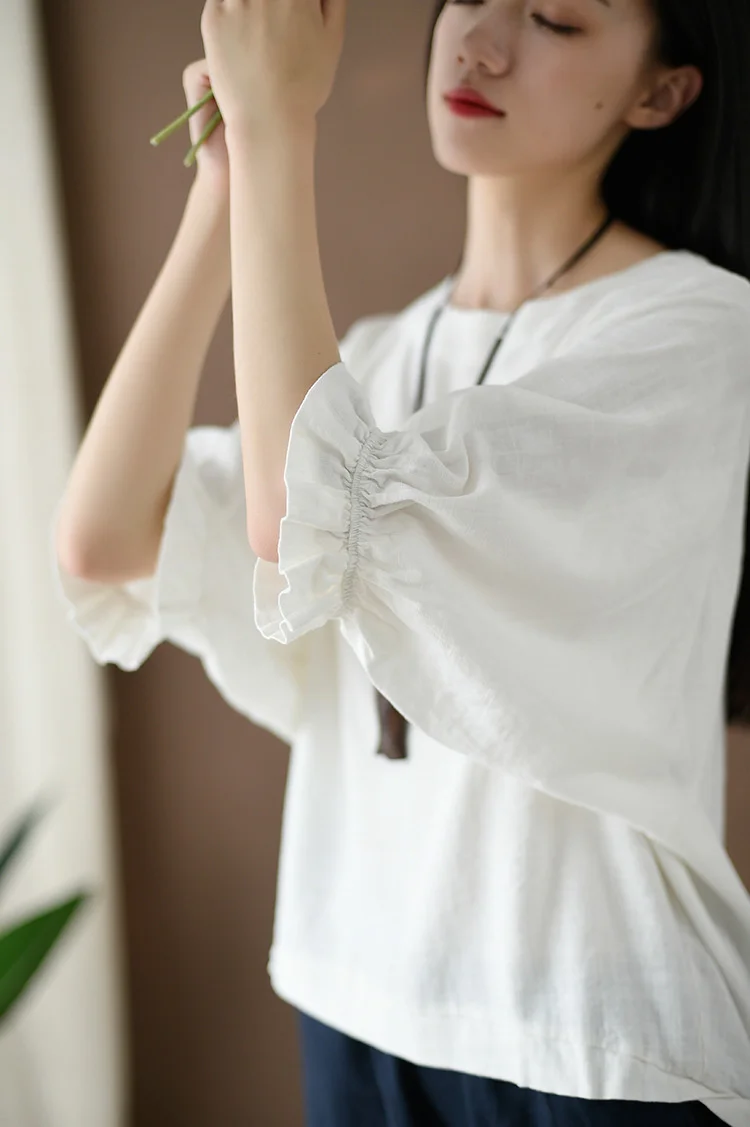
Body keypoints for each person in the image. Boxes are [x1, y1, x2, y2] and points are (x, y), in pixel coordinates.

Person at [51, 0, 750, 1123]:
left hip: (578, 1034)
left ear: (661, 91)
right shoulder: (370, 360)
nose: (480, 42)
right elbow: (106, 535)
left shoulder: (695, 333)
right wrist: (226, 184)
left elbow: (300, 515)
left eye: (555, 18)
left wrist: (283, 132)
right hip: (354, 990)